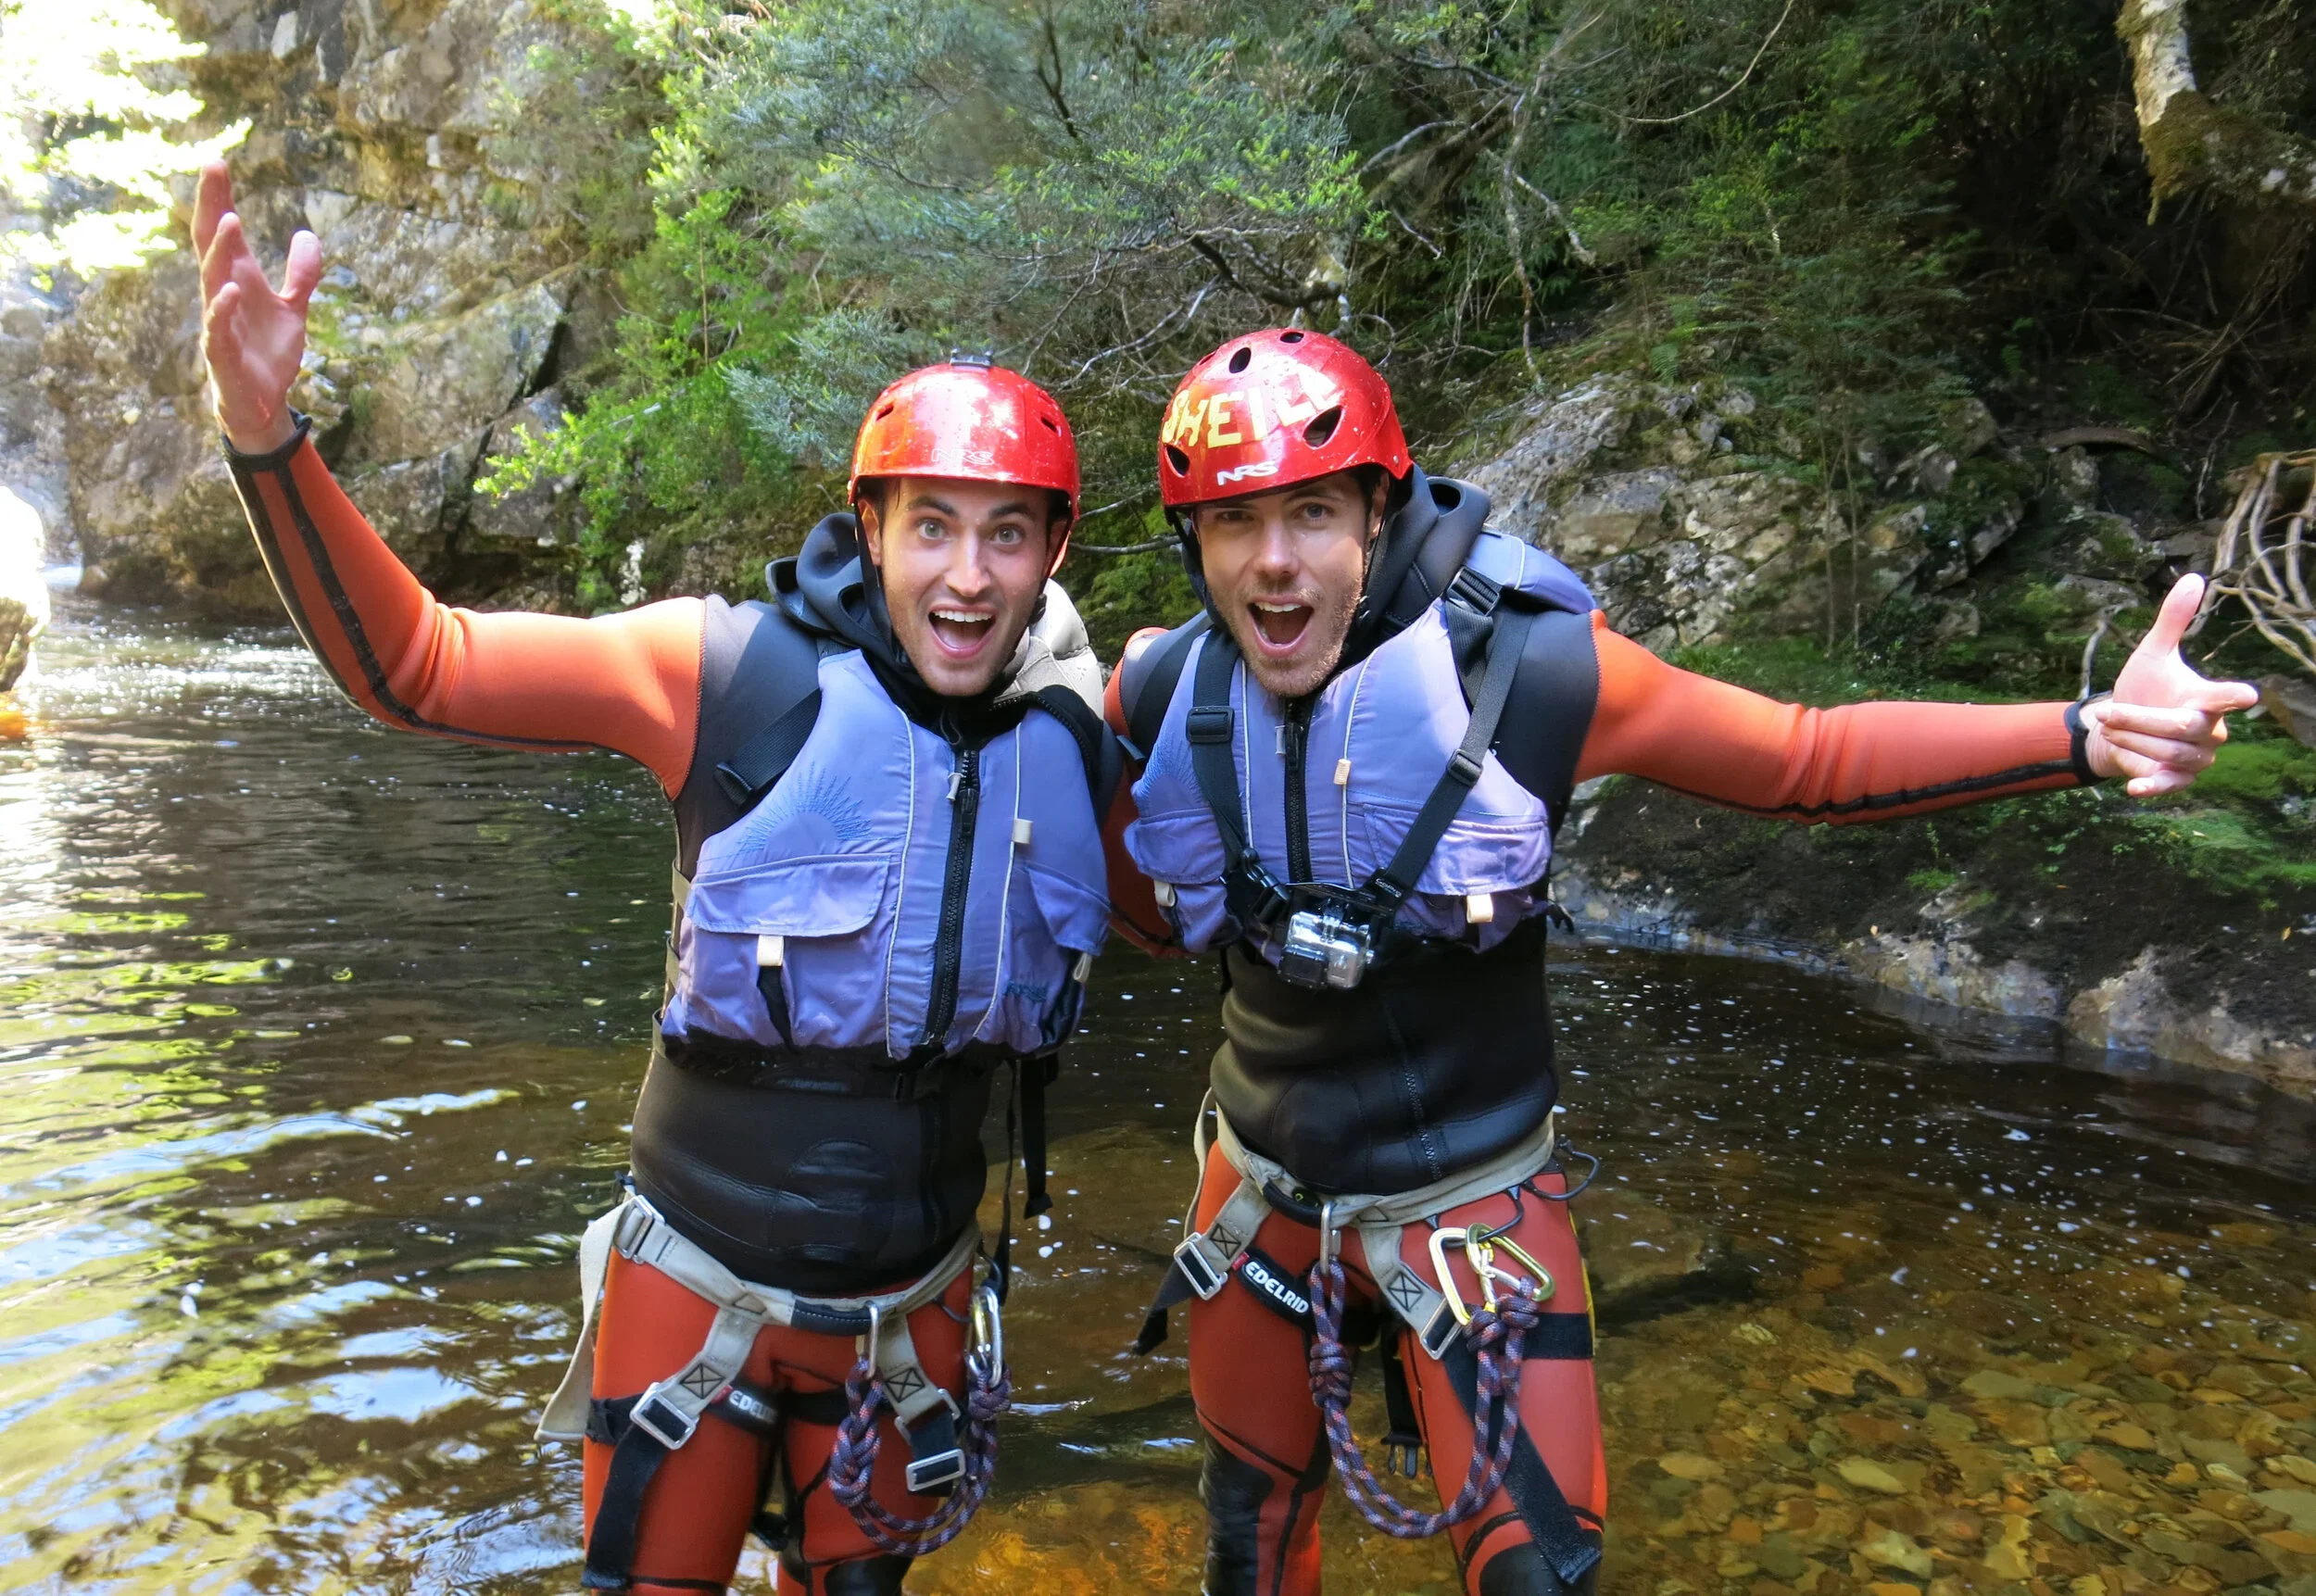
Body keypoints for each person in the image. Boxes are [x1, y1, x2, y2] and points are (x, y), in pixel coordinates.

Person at [1102, 328, 2255, 1596]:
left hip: (1475, 1192)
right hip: (1261, 1196)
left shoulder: (1530, 671)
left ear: (1380, 508)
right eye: (1232, 523)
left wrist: (2086, 731)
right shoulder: (1162, 695)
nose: (1274, 562)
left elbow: (1807, 758)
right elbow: (1148, 919)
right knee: (1244, 1548)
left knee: (1540, 1576)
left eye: (1312, 512)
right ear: (1190, 543)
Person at [194, 161, 1121, 1596]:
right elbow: (421, 665)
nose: (968, 575)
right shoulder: (723, 676)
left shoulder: (1074, 737)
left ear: (1055, 552)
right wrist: (270, 443)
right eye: (931, 523)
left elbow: (1187, 904)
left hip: (915, 1308)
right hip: (697, 1293)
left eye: (1008, 532)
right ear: (870, 527)